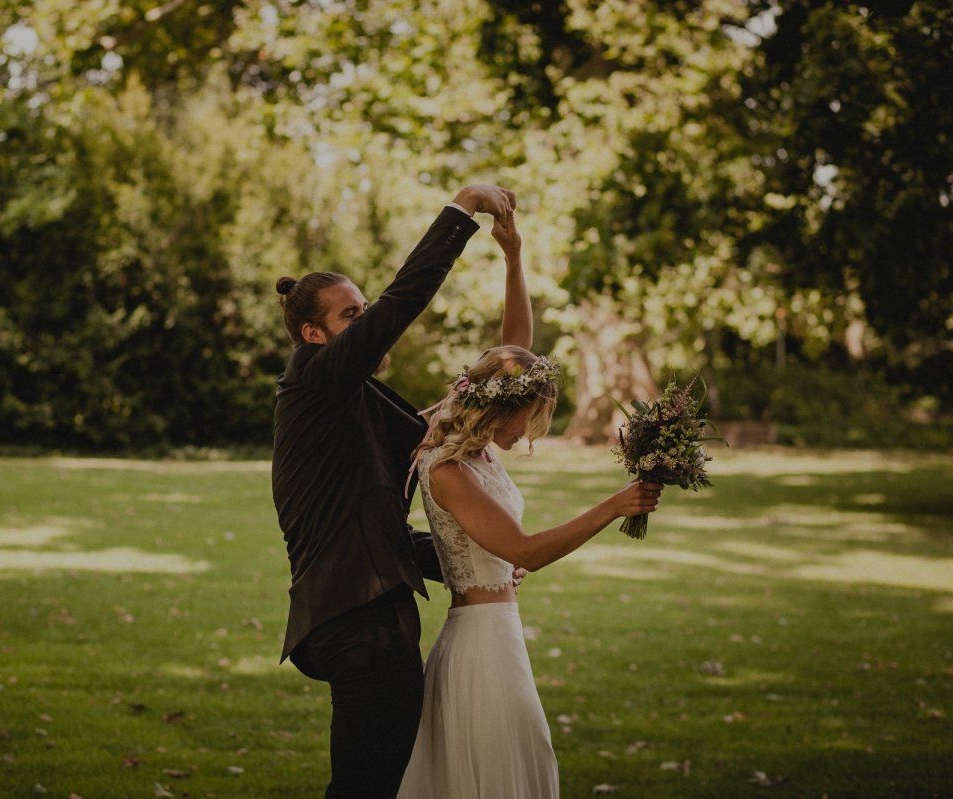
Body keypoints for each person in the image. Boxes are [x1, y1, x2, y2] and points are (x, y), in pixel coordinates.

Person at [397, 210, 664, 799]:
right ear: (500, 407)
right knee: (499, 772)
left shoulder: (479, 447)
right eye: (531, 417)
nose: (531, 431)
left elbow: (514, 348)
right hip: (479, 642)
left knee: (518, 765)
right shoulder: (446, 466)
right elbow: (524, 550)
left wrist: (514, 256)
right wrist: (613, 506)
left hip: (501, 628)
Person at [271, 184, 519, 798]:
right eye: (351, 316)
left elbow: (486, 390)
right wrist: (461, 210)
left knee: (374, 786)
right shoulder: (315, 381)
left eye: (363, 310)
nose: (368, 323)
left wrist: (476, 559)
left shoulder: (362, 399)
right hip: (358, 627)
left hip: (370, 619)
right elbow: (401, 301)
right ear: (313, 334)